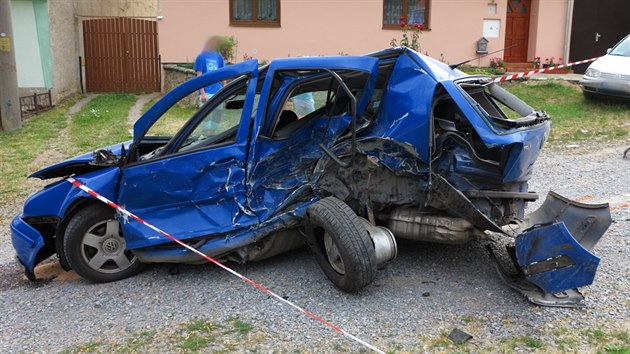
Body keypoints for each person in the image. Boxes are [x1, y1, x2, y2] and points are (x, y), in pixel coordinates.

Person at [194, 36, 225, 134]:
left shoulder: (219, 57)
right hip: (207, 92)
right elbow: (199, 77)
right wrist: (202, 93)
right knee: (205, 117)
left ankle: (212, 135)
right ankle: (204, 135)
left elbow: (223, 74)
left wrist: (225, 89)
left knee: (216, 116)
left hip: (218, 91)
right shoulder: (201, 57)